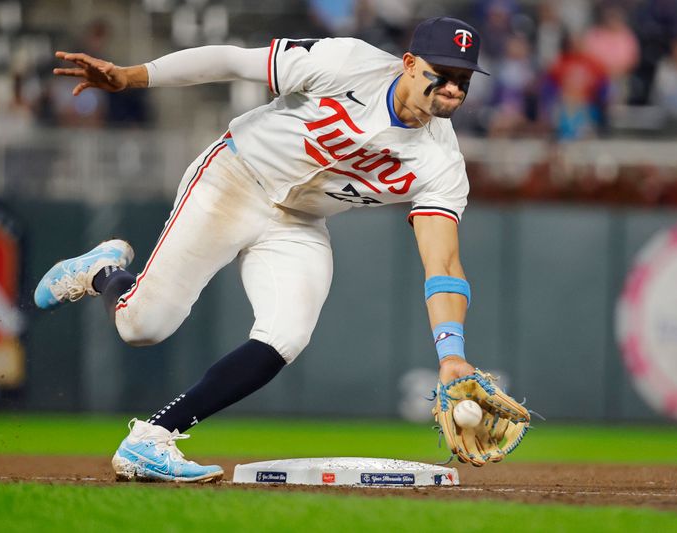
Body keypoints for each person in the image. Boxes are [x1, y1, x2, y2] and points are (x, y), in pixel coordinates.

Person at [36, 17, 485, 483]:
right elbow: (232, 60)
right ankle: (102, 272)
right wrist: (132, 76)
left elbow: (444, 262)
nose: (453, 87)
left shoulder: (442, 162)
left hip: (299, 223)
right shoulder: (348, 63)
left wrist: (450, 353)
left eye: (463, 80)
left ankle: (151, 439)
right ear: (409, 64)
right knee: (141, 326)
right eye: (443, 72)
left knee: (286, 335)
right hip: (235, 178)